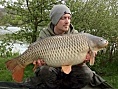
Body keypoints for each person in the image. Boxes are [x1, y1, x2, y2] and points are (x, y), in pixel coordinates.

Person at [0, 4, 113, 89]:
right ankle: (21, 64)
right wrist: (38, 63)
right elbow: (39, 61)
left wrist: (84, 60)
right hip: (51, 67)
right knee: (45, 71)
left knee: (87, 74)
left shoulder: (77, 36)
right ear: (55, 20)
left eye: (69, 18)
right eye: (63, 18)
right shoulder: (45, 34)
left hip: (70, 69)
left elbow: (77, 61)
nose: (67, 21)